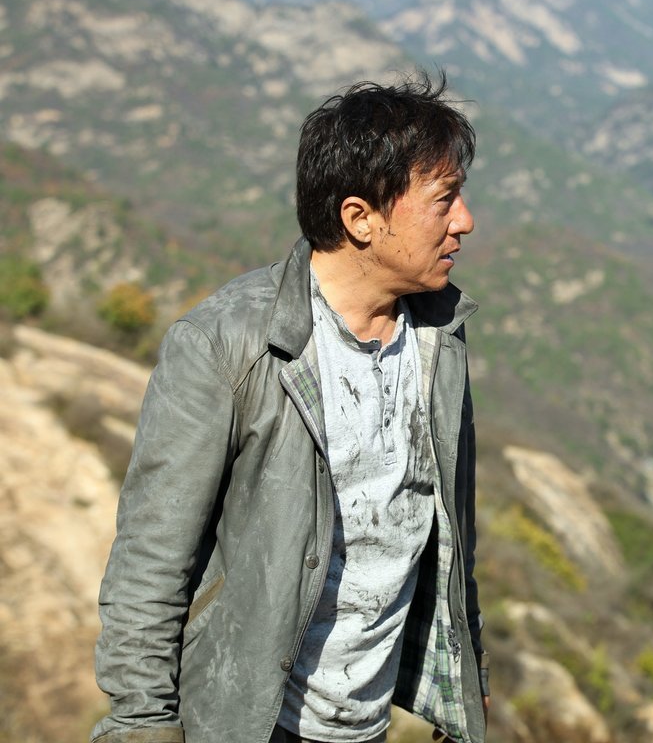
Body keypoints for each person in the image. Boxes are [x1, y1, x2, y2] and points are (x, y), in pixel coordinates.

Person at [92, 73, 489, 743]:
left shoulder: (438, 337)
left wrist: (466, 677)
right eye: (444, 199)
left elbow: (451, 530)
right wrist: (141, 724)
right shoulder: (226, 346)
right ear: (361, 219)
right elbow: (149, 564)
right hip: (251, 722)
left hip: (366, 725)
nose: (465, 221)